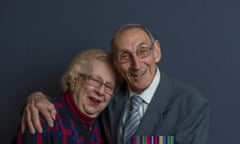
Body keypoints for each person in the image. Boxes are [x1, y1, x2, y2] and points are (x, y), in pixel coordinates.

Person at [20, 24, 210, 144]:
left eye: (143, 51)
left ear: (156, 52)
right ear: (117, 63)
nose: (136, 64)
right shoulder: (109, 98)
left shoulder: (191, 105)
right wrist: (36, 98)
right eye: (125, 56)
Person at [13, 49, 117, 144]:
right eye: (95, 80)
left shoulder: (107, 127)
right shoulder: (43, 118)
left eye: (108, 87)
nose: (101, 91)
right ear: (74, 79)